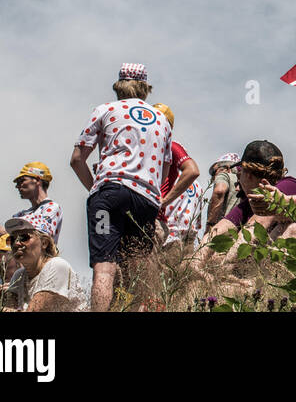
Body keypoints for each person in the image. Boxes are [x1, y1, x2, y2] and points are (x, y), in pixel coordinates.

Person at [69, 63, 172, 312]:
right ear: (145, 88)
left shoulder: (105, 110)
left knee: (105, 266)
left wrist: (95, 187)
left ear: (118, 87)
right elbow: (164, 171)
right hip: (146, 199)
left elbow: (76, 159)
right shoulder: (162, 121)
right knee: (139, 267)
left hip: (110, 192)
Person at [0, 216, 89, 312]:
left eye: (24, 238)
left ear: (44, 243)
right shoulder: (19, 276)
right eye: (12, 239)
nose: (16, 243)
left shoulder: (57, 266)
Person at [201, 140, 296, 247]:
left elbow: (253, 230)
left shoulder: (289, 186)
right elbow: (217, 232)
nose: (238, 177)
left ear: (248, 174)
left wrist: (228, 263)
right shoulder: (251, 201)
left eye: (240, 172)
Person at [150, 103, 203, 244]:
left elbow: (192, 171)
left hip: (154, 217)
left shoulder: (171, 146)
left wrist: (164, 201)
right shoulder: (141, 145)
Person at [0, 162, 64, 244]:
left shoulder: (51, 207)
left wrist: (6, 234)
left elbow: (42, 237)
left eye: (22, 180)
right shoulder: (20, 215)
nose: (17, 186)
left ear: (37, 180)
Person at [205, 153, 241, 227]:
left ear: (227, 168)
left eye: (214, 172)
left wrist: (210, 225)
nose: (213, 177)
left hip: (222, 230)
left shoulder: (224, 175)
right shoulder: (245, 183)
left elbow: (219, 191)